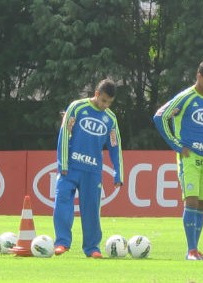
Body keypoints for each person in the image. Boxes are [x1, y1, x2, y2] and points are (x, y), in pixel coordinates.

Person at [153, 60, 203, 260]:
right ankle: (190, 250)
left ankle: (196, 249)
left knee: (202, 204)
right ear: (199, 76)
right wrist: (176, 145)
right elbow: (159, 116)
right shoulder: (185, 97)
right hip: (189, 157)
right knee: (191, 200)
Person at [53, 79, 124, 259]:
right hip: (70, 168)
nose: (105, 105)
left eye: (109, 102)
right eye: (104, 100)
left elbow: (115, 146)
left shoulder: (111, 119)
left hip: (92, 171)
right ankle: (62, 243)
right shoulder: (76, 108)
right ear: (97, 94)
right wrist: (63, 163)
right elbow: (64, 134)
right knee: (62, 202)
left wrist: (118, 172)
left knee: (92, 209)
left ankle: (92, 248)